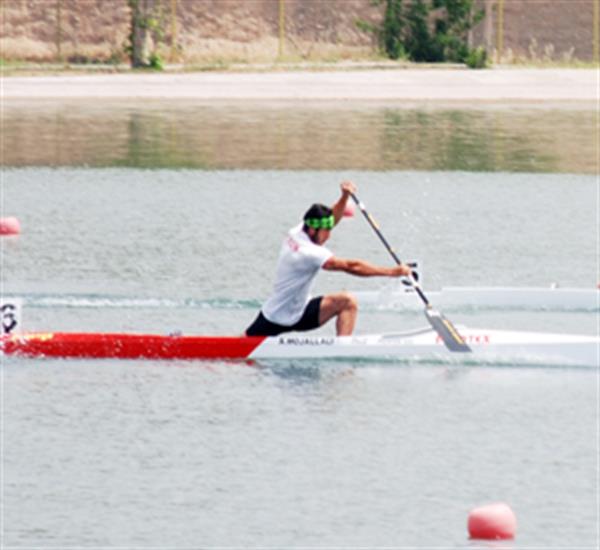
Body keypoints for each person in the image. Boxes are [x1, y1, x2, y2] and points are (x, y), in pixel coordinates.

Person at [245, 181, 412, 337]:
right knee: (241, 348)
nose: (329, 235)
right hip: (276, 317)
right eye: (326, 231)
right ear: (313, 230)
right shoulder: (308, 252)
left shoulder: (298, 231)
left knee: (347, 302)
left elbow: (332, 216)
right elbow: (350, 266)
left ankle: (342, 350)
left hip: (301, 312)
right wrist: (392, 272)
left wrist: (344, 196)